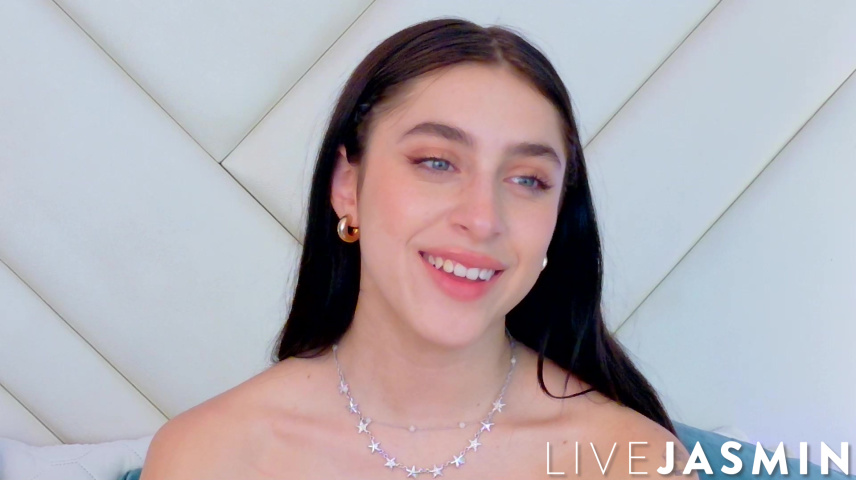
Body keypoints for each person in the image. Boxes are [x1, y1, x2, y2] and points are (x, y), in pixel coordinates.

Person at [141, 18, 696, 479]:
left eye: (528, 180)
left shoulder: (634, 462)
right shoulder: (208, 457)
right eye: (436, 163)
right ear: (346, 186)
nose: (483, 219)